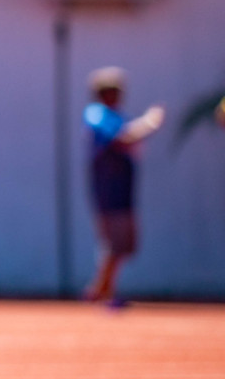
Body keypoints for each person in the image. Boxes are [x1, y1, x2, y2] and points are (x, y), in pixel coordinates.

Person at [82, 66, 163, 305]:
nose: (117, 94)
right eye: (111, 90)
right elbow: (122, 136)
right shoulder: (96, 113)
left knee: (125, 246)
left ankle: (101, 290)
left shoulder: (118, 115)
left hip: (124, 189)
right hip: (108, 190)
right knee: (113, 244)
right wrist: (149, 122)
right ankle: (101, 291)